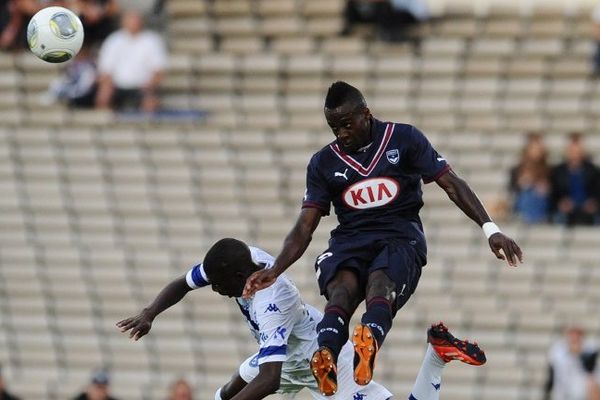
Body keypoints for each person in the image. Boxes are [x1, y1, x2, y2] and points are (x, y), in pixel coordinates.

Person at [243, 81, 522, 395]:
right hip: (349, 240)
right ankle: (327, 355)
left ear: (366, 114)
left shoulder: (404, 139)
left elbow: (452, 184)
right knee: (341, 291)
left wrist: (491, 229)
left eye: (347, 124)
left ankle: (368, 340)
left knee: (381, 283)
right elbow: (304, 227)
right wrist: (276, 268)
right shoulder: (323, 162)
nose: (341, 134)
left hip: (399, 236)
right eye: (334, 127)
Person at [117, 238, 486, 400]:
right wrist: (149, 313)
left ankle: (435, 357)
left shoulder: (269, 301)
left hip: (320, 363)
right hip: (281, 355)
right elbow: (183, 283)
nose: (214, 290)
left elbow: (271, 379)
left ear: (236, 276)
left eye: (218, 285)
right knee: (226, 393)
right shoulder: (241, 261)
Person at [95, 10, 167, 112]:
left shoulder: (152, 41)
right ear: (123, 23)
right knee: (103, 95)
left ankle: (146, 126)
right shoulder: (113, 40)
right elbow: (105, 70)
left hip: (142, 86)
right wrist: (108, 86)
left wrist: (149, 86)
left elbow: (158, 71)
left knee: (150, 101)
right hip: (117, 86)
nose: (133, 24)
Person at [550, 133, 600, 226]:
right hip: (567, 209)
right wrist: (560, 203)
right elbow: (553, 193)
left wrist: (594, 203)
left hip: (587, 208)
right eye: (572, 150)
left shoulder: (593, 170)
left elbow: (597, 192)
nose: (575, 153)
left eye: (578, 150)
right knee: (559, 217)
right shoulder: (558, 171)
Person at [544, 326, 600, 400]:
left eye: (577, 337)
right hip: (563, 393)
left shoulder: (588, 352)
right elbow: (552, 372)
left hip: (581, 392)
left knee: (592, 384)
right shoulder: (558, 352)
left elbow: (590, 371)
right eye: (572, 337)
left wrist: (579, 354)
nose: (574, 340)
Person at [508, 132, 551, 224]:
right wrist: (522, 184)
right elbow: (512, 189)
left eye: (538, 148)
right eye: (533, 148)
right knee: (527, 194)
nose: (536, 151)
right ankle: (527, 217)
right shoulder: (518, 169)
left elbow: (554, 190)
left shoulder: (548, 169)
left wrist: (545, 188)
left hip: (542, 202)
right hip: (524, 201)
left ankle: (535, 218)